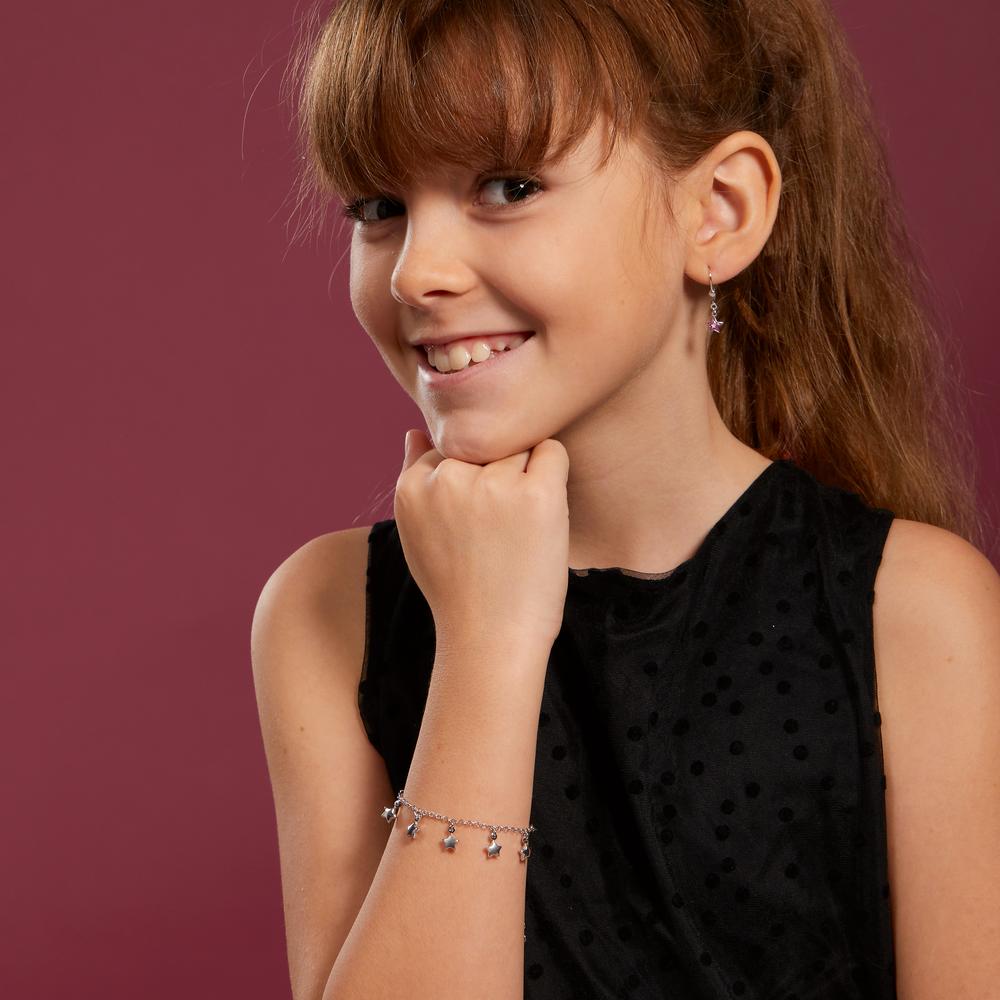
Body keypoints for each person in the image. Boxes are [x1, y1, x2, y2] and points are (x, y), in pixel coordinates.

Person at [251, 1, 1000, 998]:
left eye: (508, 187)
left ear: (718, 210)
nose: (417, 274)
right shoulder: (326, 613)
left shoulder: (911, 611)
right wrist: (486, 649)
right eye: (378, 206)